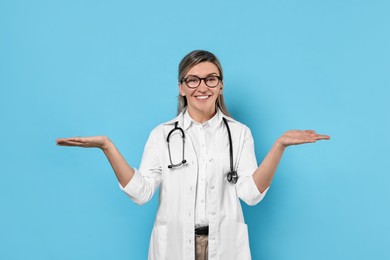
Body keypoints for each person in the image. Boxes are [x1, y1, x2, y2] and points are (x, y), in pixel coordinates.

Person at [56, 50, 330, 260]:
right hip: (175, 244)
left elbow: (250, 194)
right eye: (193, 79)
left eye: (211, 79)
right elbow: (141, 193)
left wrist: (278, 146)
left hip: (224, 245)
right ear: (182, 87)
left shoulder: (239, 133)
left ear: (220, 86)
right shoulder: (162, 134)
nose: (202, 86)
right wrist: (107, 147)